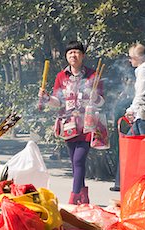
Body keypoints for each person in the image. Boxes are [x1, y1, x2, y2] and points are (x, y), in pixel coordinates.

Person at [39, 41, 104, 205]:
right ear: (66, 56)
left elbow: (102, 101)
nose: (73, 55)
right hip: (68, 124)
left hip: (87, 123)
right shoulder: (61, 76)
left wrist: (95, 96)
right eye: (70, 53)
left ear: (82, 55)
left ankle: (74, 197)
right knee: (75, 162)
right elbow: (58, 102)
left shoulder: (92, 75)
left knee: (79, 160)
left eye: (76, 52)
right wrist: (47, 98)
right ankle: (83, 195)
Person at [124, 43, 145, 135]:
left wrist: (131, 110)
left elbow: (141, 94)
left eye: (131, 57)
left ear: (138, 58)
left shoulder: (143, 71)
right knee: (131, 141)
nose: (130, 60)